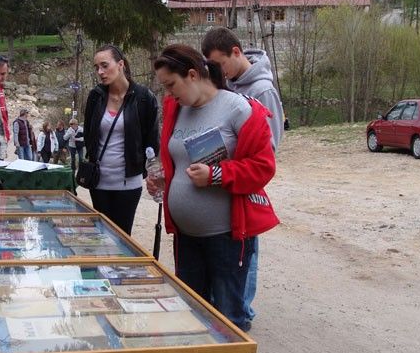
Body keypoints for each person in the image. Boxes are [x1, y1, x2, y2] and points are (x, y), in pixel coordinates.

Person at [149, 44, 279, 332]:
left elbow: (263, 167)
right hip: (186, 237)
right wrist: (165, 177)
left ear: (193, 75)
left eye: (171, 85)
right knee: (192, 316)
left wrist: (216, 175)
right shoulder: (176, 108)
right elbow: (177, 158)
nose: (168, 93)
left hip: (226, 240)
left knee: (228, 321)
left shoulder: (239, 109)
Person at [202, 26, 284, 328]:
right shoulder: (229, 84)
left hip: (243, 179)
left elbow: (269, 145)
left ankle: (242, 312)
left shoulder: (262, 90)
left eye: (220, 64)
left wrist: (232, 161)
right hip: (224, 176)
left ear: (235, 53)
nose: (218, 72)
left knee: (245, 250)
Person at [84, 44, 159, 235]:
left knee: (122, 237)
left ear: (120, 64)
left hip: (129, 181)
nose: (100, 72)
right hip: (99, 181)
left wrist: (149, 170)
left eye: (104, 65)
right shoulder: (96, 96)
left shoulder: (144, 98)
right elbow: (88, 134)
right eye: (97, 67)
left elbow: (152, 140)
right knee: (101, 236)